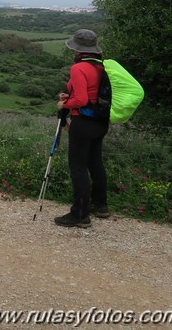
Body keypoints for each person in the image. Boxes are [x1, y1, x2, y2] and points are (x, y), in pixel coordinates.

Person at [54, 29, 111, 228]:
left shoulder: (78, 68)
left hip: (83, 123)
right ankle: (100, 206)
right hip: (100, 122)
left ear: (78, 50)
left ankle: (80, 214)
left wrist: (64, 105)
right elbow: (90, 95)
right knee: (95, 162)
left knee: (78, 167)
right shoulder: (101, 66)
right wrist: (69, 98)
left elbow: (81, 99)